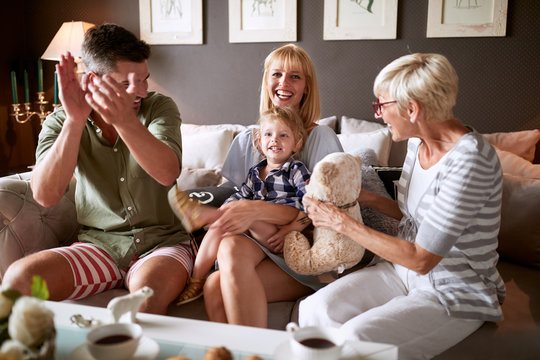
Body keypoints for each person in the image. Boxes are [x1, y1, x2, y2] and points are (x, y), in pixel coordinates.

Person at [299, 53, 506, 359]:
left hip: (454, 291)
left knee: (358, 339)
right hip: (403, 272)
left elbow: (423, 258)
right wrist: (356, 197)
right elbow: (410, 218)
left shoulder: (470, 161)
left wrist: (341, 223)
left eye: (380, 104)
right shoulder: (416, 144)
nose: (379, 114)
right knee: (315, 310)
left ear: (412, 109)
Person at [2, 24, 193, 315]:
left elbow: (167, 172)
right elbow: (44, 195)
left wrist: (124, 121)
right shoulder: (61, 119)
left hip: (163, 243)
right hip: (100, 245)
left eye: (144, 79)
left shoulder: (159, 107)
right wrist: (75, 122)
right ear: (93, 80)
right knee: (19, 279)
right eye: (127, 83)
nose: (140, 91)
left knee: (143, 302)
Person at [201, 44, 344, 328]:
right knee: (217, 274)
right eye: (276, 74)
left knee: (219, 277)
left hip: (303, 251)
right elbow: (233, 197)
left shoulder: (321, 138)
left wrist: (268, 216)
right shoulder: (247, 140)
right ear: (267, 82)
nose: (283, 83)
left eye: (295, 77)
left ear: (307, 87)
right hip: (254, 245)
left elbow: (332, 208)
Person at [170, 106, 312, 305]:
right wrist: (225, 210)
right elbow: (240, 195)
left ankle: (207, 215)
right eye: (269, 134)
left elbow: (311, 203)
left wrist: (292, 227)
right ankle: (196, 280)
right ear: (260, 143)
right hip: (259, 229)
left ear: (297, 144)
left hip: (284, 229)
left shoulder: (295, 169)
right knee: (225, 221)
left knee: (243, 211)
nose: (275, 140)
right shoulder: (255, 172)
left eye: (283, 135)